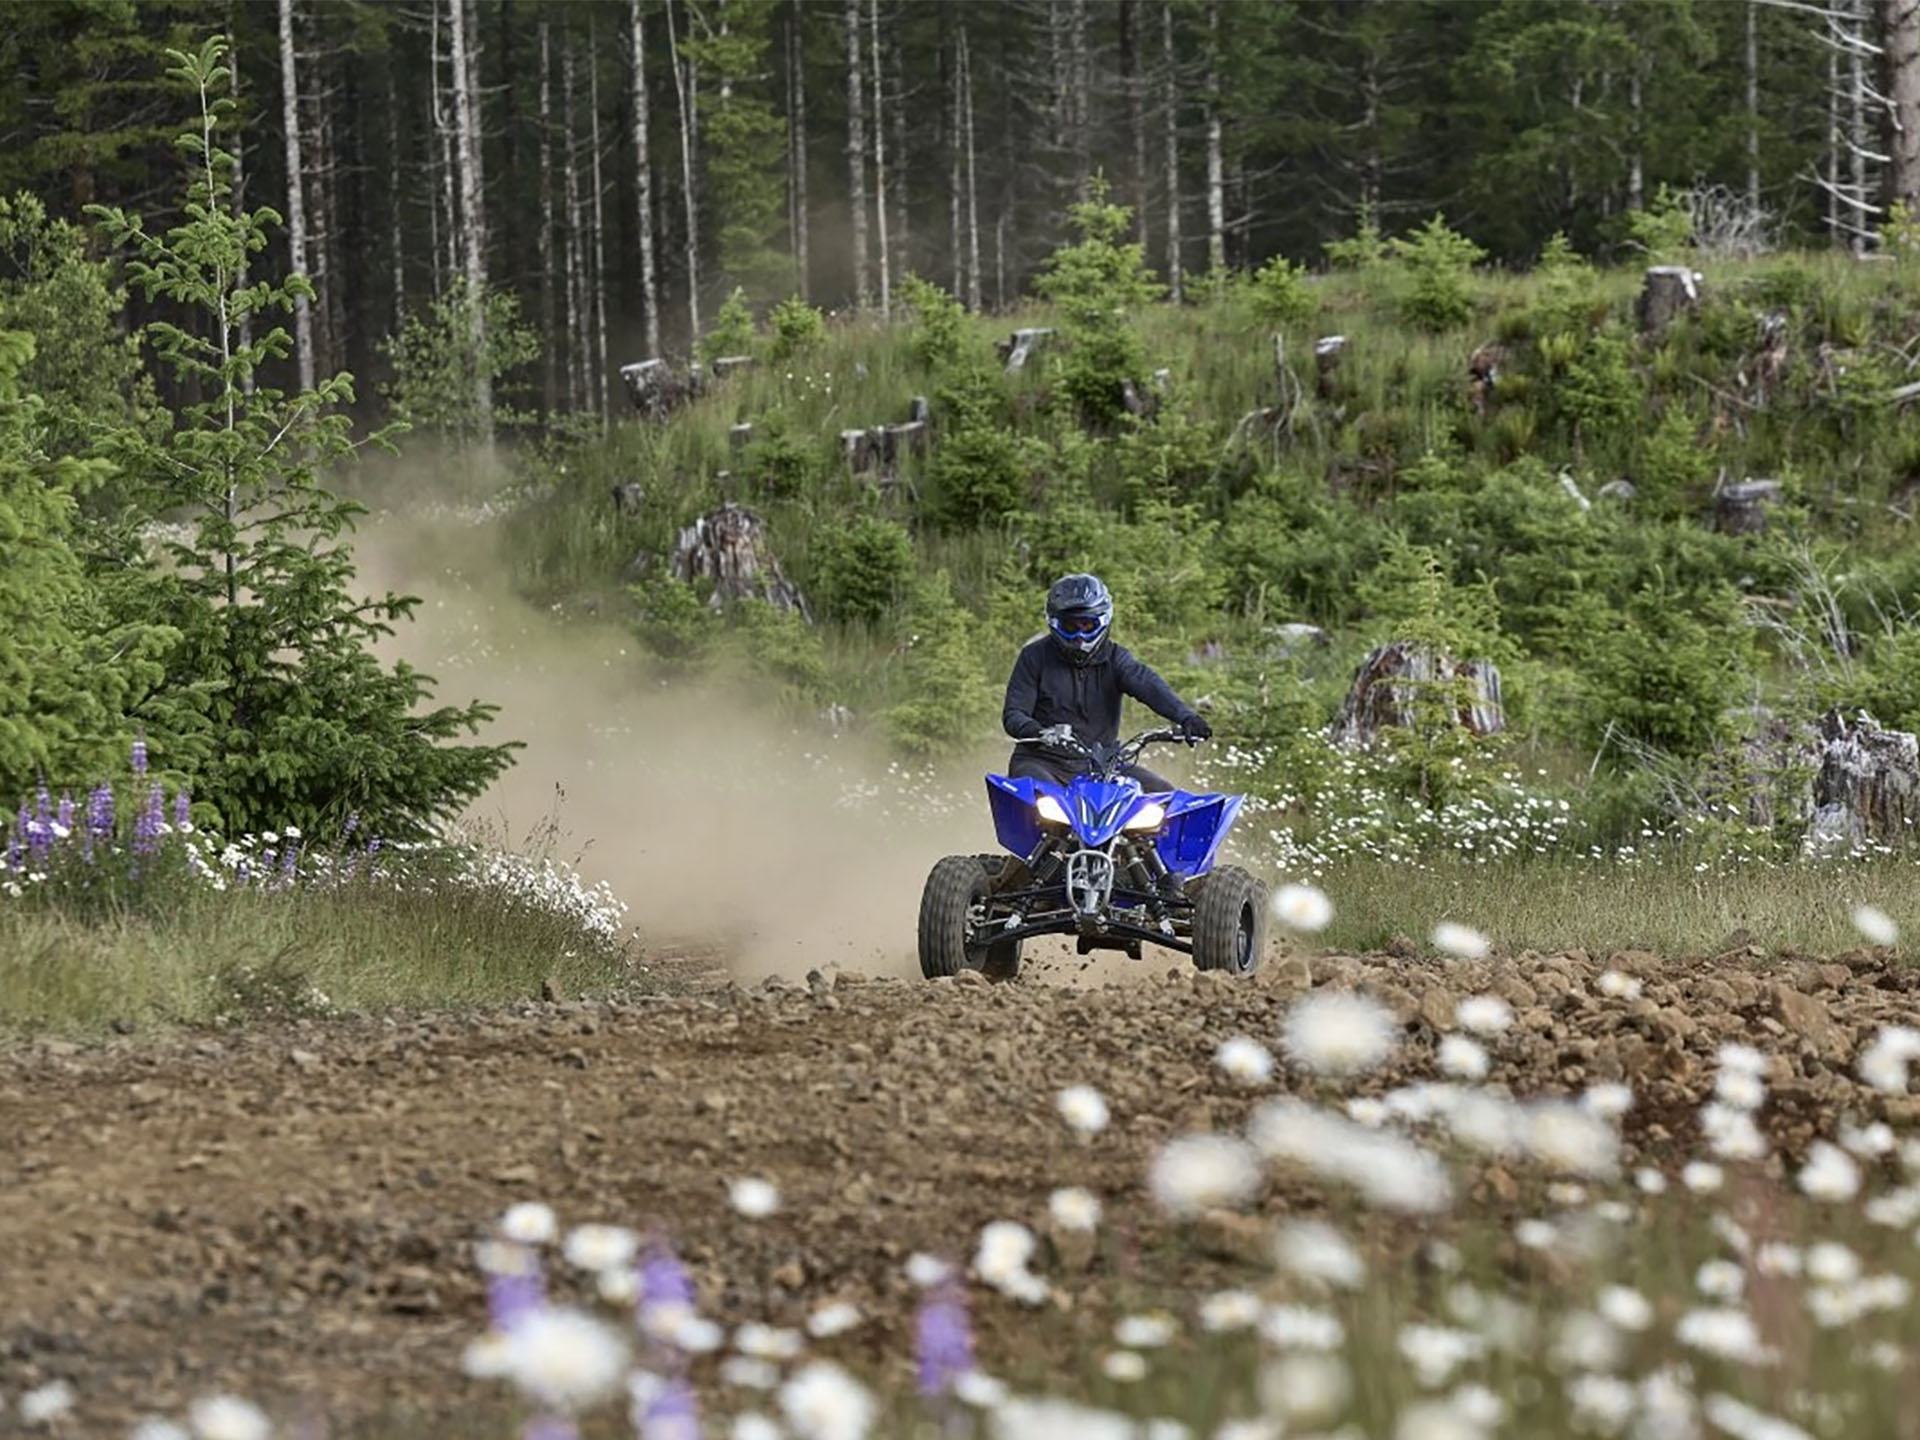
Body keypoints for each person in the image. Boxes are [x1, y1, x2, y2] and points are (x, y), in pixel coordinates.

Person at [1002, 572, 1212, 793]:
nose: (1080, 637)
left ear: (1104, 621)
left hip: (1103, 767)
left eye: (1088, 625)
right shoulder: (1034, 657)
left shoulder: (1116, 659)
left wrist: (1186, 716)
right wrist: (1039, 732)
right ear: (1054, 624)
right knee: (1039, 798)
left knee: (1164, 797)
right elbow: (1014, 713)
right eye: (1070, 628)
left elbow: (1147, 684)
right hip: (1041, 762)